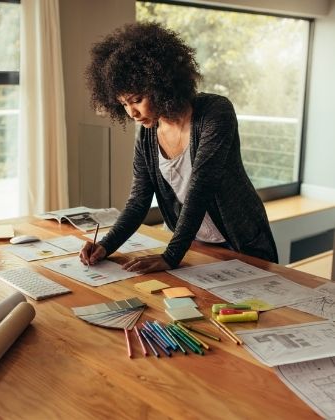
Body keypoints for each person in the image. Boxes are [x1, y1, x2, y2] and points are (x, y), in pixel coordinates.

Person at [80, 21, 278, 274]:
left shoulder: (215, 112)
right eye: (124, 104)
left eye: (137, 100)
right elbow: (138, 201)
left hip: (240, 242)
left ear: (161, 85)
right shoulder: (147, 136)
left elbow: (201, 187)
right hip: (193, 244)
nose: (132, 113)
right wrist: (106, 246)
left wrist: (171, 256)